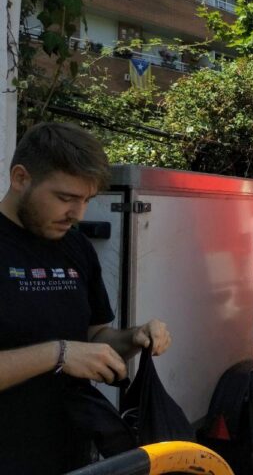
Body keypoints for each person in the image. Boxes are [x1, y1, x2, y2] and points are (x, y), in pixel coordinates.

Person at [0, 122, 172, 474]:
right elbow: (69, 352)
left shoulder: (75, 247)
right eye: (65, 198)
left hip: (72, 457)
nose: (78, 214)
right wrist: (58, 353)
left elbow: (93, 338)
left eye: (86, 200)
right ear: (20, 178)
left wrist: (134, 337)